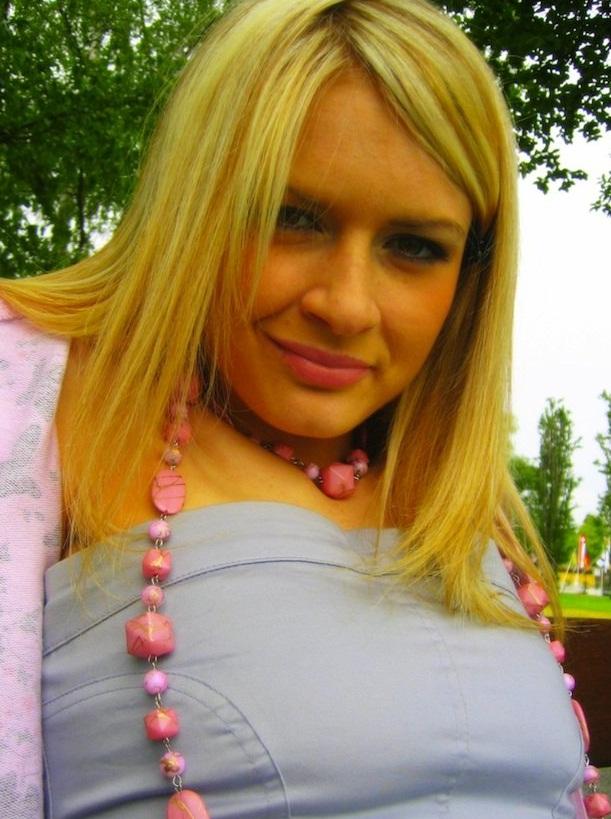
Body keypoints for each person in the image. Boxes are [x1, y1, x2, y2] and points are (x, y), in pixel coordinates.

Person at [0, 0, 607, 817]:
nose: (345, 305)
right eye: (291, 218)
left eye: (414, 246)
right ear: (194, 200)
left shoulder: (453, 484)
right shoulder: (31, 392)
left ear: (470, 274)